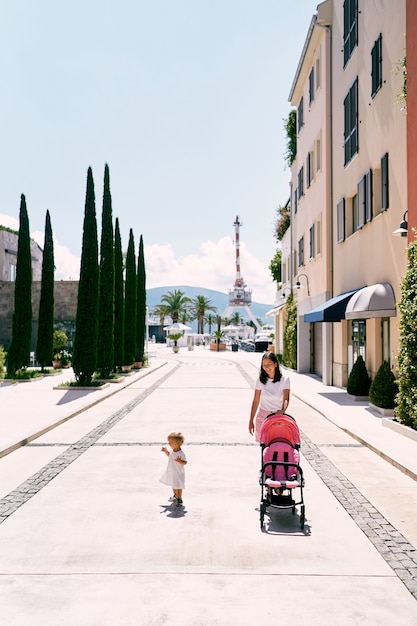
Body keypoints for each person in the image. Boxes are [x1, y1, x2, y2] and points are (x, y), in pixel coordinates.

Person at [248, 351, 290, 442]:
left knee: (276, 446)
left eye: (269, 364)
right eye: (264, 364)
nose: (266, 367)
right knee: (264, 448)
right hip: (262, 417)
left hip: (278, 416)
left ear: (275, 364)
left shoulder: (285, 380)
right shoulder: (260, 380)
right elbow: (255, 401)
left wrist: (282, 411)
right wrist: (251, 420)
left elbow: (286, 399)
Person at [160, 431, 187, 506]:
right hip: (172, 471)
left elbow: (185, 462)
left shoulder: (181, 453)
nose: (169, 444)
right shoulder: (172, 450)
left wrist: (180, 461)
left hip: (178, 473)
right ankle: (175, 496)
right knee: (174, 485)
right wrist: (166, 451)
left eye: (170, 442)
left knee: (179, 486)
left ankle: (180, 498)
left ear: (175, 444)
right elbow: (170, 455)